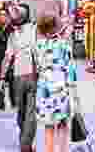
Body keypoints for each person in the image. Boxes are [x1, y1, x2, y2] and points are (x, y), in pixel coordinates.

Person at [35, 14, 77, 152]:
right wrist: (74, 94)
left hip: (44, 91)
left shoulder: (38, 46)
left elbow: (37, 67)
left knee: (48, 127)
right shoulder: (64, 45)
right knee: (63, 126)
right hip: (61, 91)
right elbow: (71, 72)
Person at [1, 4, 38, 152]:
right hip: (31, 76)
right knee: (29, 113)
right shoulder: (34, 30)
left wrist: (2, 78)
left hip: (19, 77)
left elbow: (7, 57)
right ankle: (26, 142)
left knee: (22, 113)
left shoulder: (14, 34)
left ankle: (25, 144)